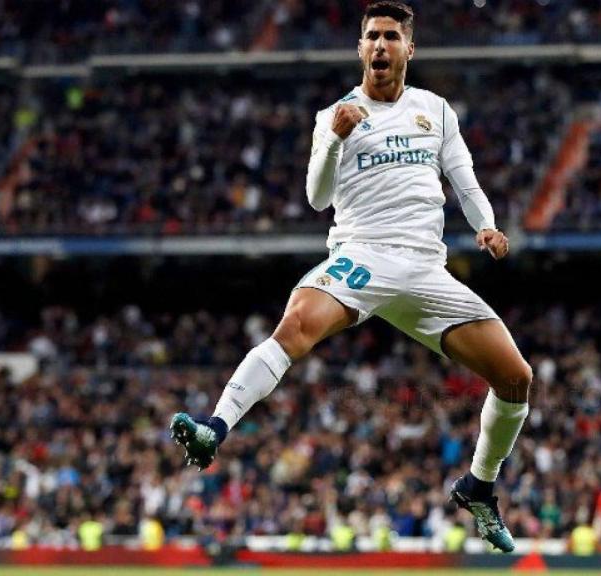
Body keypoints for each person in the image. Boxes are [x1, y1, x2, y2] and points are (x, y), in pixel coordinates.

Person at [169, 0, 531, 553]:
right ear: (360, 48)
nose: (380, 45)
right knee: (294, 326)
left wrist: (486, 226)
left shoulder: (434, 110)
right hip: (364, 255)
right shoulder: (334, 114)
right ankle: (214, 427)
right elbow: (317, 199)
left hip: (425, 268)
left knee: (515, 379)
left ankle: (479, 486)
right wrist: (335, 138)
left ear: (410, 47)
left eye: (390, 36)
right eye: (371, 37)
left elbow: (464, 177)